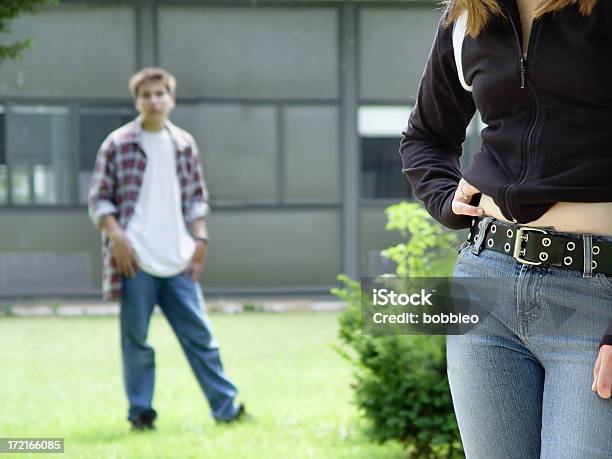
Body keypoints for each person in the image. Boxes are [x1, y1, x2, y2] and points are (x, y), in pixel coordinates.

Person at [400, 0, 612, 457]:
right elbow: (425, 137)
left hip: (598, 297)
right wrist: (446, 200)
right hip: (486, 280)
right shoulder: (467, 18)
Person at [88, 67, 245, 430]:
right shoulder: (117, 144)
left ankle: (227, 409)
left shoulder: (184, 144)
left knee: (202, 339)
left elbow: (195, 199)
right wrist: (118, 238)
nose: (154, 101)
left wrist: (201, 239)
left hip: (179, 260)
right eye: (147, 95)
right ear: (137, 101)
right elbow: (99, 200)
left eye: (161, 94)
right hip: (135, 262)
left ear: (171, 99)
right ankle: (140, 414)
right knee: (137, 343)